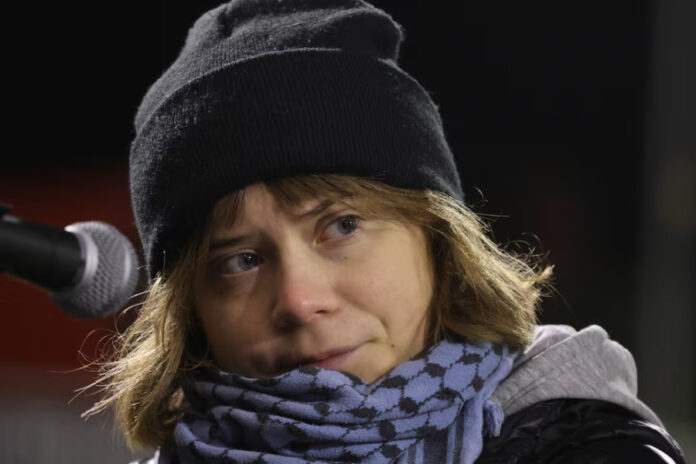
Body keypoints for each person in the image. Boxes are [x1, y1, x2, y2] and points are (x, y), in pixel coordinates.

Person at [83, 1, 687, 462]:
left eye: (341, 226)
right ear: (191, 316)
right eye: (240, 261)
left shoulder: (589, 449)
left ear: (437, 240)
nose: (298, 301)